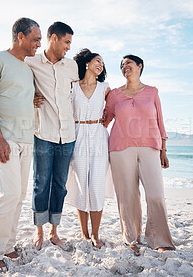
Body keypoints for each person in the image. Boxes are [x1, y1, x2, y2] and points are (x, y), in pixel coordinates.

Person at [0, 17, 41, 272]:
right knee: (8, 194)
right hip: (5, 138)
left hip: (27, 138)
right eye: (35, 39)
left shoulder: (28, 69)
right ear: (20, 37)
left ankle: (8, 245)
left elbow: (21, 96)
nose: (39, 44)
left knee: (19, 196)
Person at [103, 54, 175, 256]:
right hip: (120, 148)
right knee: (127, 196)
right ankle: (131, 238)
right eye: (122, 65)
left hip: (150, 148)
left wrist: (163, 149)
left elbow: (160, 121)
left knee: (156, 194)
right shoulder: (115, 95)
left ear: (139, 66)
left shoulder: (152, 92)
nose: (125, 66)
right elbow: (103, 120)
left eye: (129, 63)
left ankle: (159, 238)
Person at [25, 22, 79, 251]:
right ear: (53, 38)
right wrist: (30, 96)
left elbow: (79, 93)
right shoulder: (31, 62)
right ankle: (38, 231)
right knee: (41, 182)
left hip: (67, 134)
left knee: (60, 184)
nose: (68, 47)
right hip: (43, 132)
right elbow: (17, 84)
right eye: (66, 42)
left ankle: (54, 231)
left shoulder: (72, 66)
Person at [65, 48, 110, 249]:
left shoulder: (105, 88)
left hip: (99, 136)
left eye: (102, 63)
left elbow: (119, 107)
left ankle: (95, 234)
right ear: (87, 63)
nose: (100, 64)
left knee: (96, 186)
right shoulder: (72, 86)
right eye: (97, 61)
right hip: (78, 135)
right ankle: (84, 233)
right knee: (82, 185)